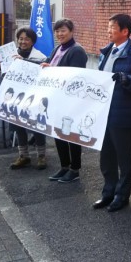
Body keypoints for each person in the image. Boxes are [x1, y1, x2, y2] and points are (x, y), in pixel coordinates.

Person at [92, 14, 131, 213]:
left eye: (112, 28)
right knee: (106, 156)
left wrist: (127, 80)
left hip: (122, 115)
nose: (108, 31)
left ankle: (121, 196)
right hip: (104, 113)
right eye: (108, 27)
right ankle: (108, 192)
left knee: (124, 158)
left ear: (125, 31)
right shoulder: (106, 51)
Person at [41, 18, 88, 183]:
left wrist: (52, 70)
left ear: (71, 31)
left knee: (71, 135)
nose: (60, 34)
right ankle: (64, 167)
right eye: (57, 31)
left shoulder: (77, 51)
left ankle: (74, 169)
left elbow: (75, 76)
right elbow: (46, 65)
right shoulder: (57, 49)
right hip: (56, 100)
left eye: (63, 30)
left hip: (70, 101)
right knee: (58, 134)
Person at [7, 27, 48, 170]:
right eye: (21, 38)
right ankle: (23, 156)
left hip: (34, 96)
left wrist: (23, 61)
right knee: (19, 125)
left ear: (32, 42)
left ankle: (41, 156)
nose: (23, 41)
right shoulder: (10, 55)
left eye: (27, 39)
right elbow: (5, 76)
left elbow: (43, 73)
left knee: (36, 126)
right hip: (17, 97)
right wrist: (1, 67)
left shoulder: (40, 56)